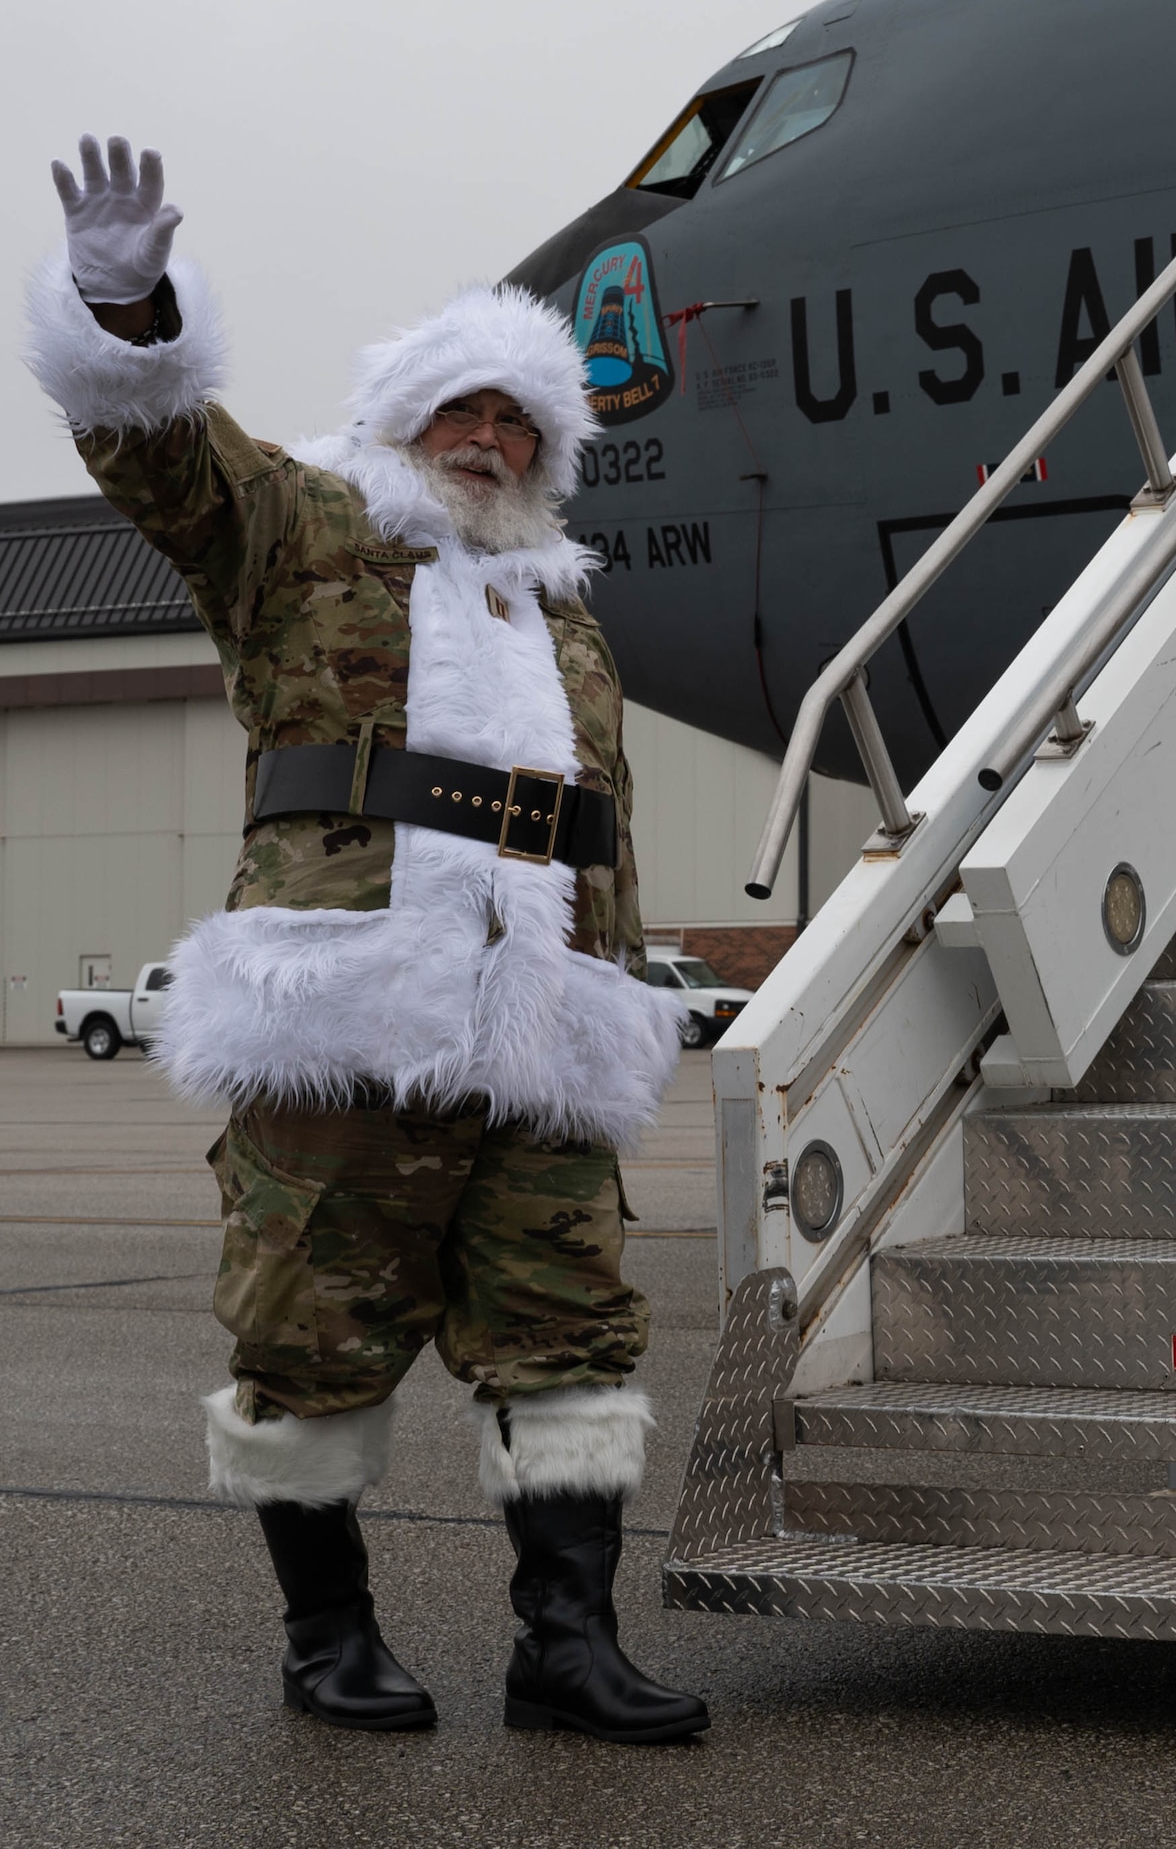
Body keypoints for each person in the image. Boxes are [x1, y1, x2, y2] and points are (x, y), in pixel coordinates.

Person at [25, 135, 708, 1745]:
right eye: (462, 411)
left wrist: (610, 981)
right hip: (350, 1014)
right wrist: (124, 308)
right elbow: (164, 460)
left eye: (517, 421)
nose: (489, 438)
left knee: (575, 1337)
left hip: (543, 1033)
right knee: (310, 1333)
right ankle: (328, 1637)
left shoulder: (566, 607)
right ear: (407, 422)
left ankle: (565, 1646)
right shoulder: (306, 527)